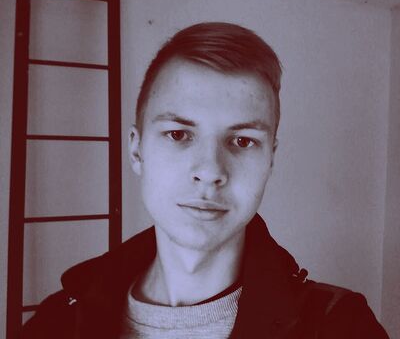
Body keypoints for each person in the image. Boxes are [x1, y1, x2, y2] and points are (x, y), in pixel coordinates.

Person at [22, 22, 389, 338]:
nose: (211, 171)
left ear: (270, 160)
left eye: (242, 141)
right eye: (178, 134)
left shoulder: (341, 326)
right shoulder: (55, 323)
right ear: (136, 151)